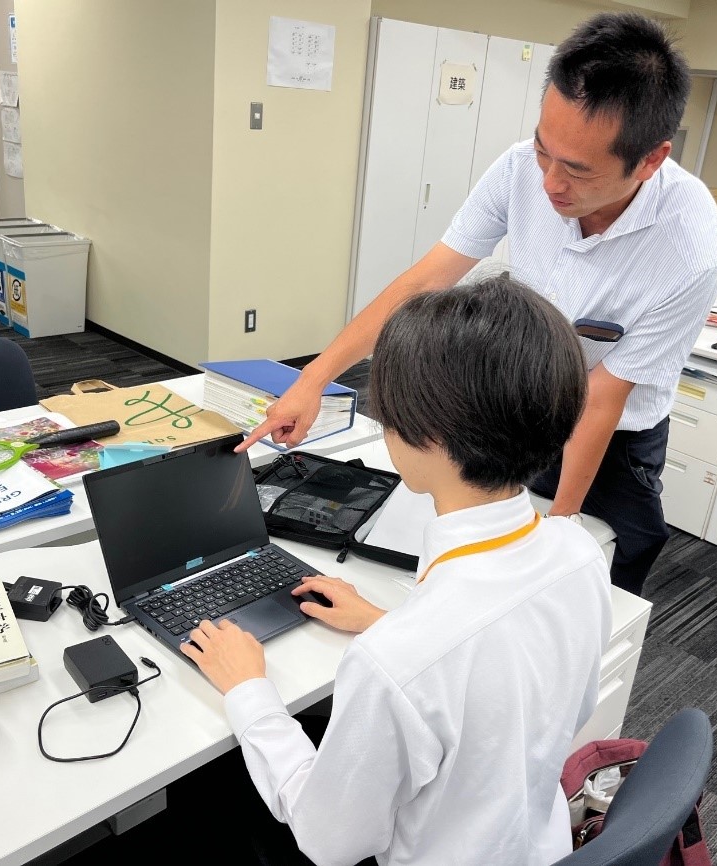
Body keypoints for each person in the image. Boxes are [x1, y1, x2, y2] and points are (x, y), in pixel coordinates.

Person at [239, 12, 717, 598]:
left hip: (613, 433)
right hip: (517, 402)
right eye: (544, 150)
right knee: (466, 558)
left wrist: (561, 525)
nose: (550, 183)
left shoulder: (689, 250)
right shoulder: (520, 169)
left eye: (577, 170)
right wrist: (313, 380)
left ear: (650, 159)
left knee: (600, 564)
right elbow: (425, 282)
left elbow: (601, 400)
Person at [182, 276, 612, 866]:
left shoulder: (396, 663)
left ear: (426, 434)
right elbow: (536, 688)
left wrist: (248, 690)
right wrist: (387, 622)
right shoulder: (579, 554)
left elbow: (328, 842)